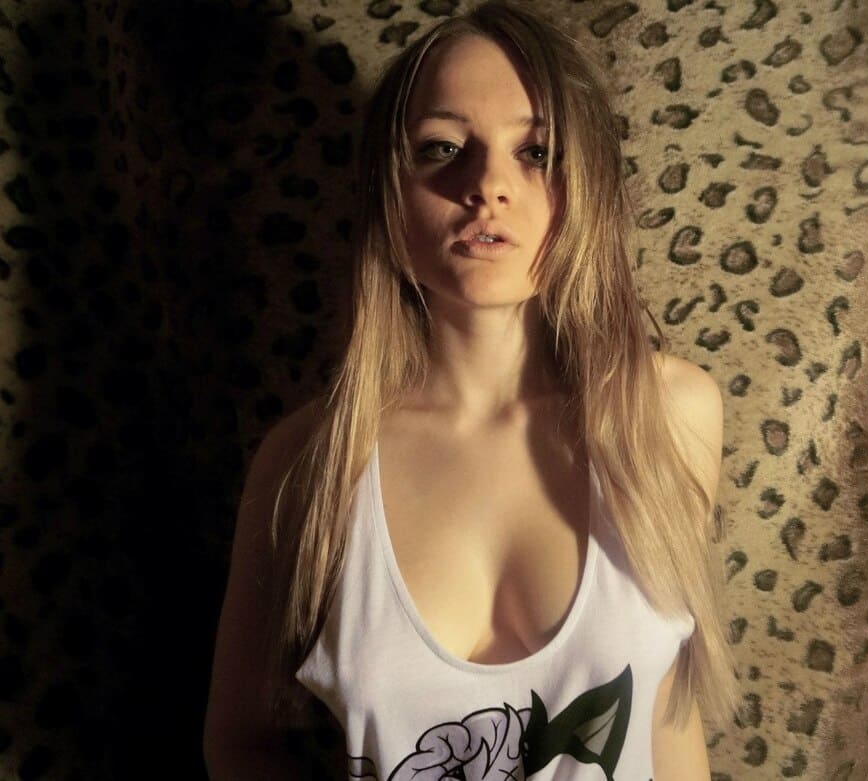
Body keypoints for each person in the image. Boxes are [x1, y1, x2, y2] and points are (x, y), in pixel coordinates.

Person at [203, 1, 739, 778]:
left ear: (588, 185)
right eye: (442, 147)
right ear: (387, 193)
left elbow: (664, 719)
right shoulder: (307, 463)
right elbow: (240, 743)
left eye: (537, 151)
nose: (488, 185)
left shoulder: (669, 417)